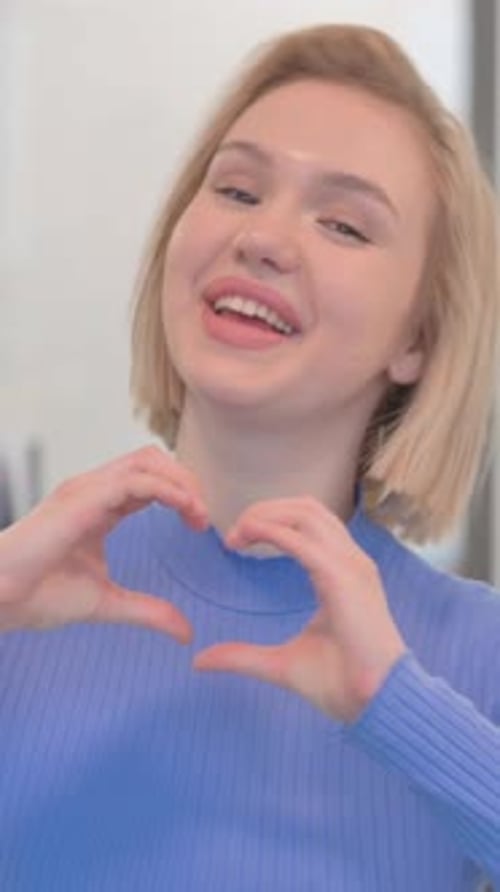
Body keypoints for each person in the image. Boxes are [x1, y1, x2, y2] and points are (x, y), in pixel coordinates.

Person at [1, 23, 499, 892]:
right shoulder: (24, 595)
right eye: (236, 190)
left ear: (418, 338)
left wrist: (400, 708)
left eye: (343, 225)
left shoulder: (476, 652)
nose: (264, 238)